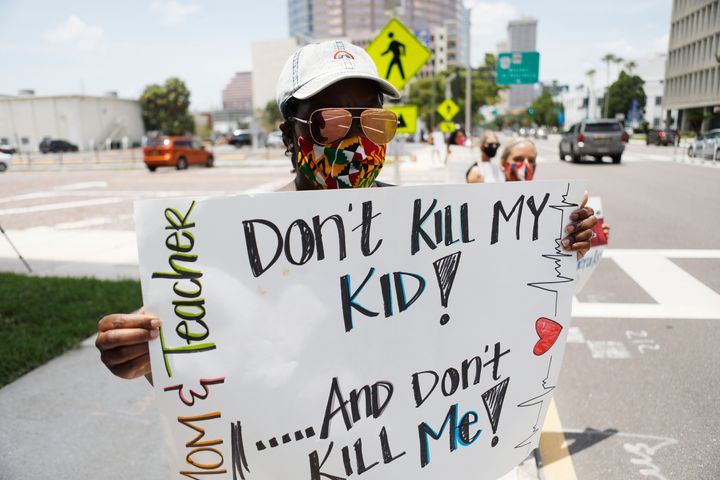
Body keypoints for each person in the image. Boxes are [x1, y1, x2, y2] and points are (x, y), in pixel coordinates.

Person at [95, 40, 598, 383]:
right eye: (332, 122)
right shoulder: (230, 246)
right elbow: (211, 369)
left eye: (375, 123)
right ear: (290, 135)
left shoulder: (428, 226)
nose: (357, 142)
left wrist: (560, 243)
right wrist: (151, 356)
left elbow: (497, 291)